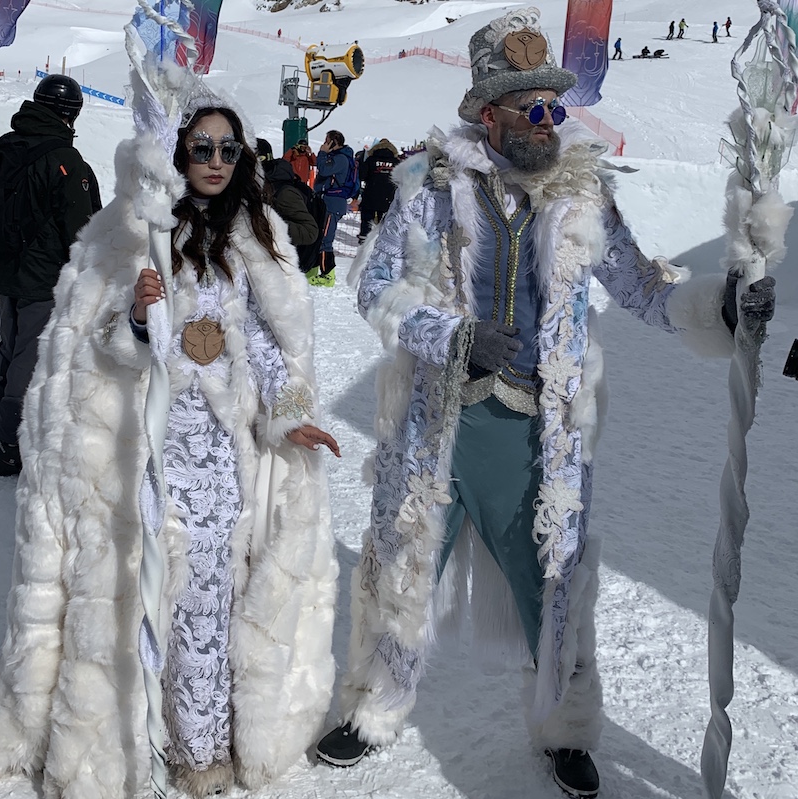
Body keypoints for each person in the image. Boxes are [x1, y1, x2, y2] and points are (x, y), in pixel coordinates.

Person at [314, 7, 776, 799]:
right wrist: (452, 335)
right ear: (486, 111)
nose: (546, 118)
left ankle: (562, 726)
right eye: (528, 105)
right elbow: (376, 287)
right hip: (441, 426)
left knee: (555, 581)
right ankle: (371, 707)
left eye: (553, 104)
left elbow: (641, 285)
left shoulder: (583, 192)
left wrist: (722, 306)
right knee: (401, 565)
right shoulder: (431, 185)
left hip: (539, 434)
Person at [0, 74, 341, 799]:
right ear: (176, 149)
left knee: (204, 605)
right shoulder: (127, 233)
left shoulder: (256, 236)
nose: (216, 160)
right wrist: (136, 316)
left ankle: (198, 751)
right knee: (133, 596)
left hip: (223, 459)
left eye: (229, 148)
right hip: (147, 456)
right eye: (201, 146)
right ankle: (121, 741)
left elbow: (271, 346)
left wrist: (289, 414)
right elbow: (89, 351)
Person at [0, 74, 101, 476]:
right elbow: (82, 228)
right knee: (29, 355)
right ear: (71, 113)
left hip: (4, 268)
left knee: (8, 343)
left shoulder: (6, 145)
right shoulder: (65, 160)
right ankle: (10, 442)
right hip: (43, 276)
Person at [311, 129, 354, 284]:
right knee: (319, 236)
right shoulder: (336, 157)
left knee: (325, 238)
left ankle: (328, 274)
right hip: (327, 201)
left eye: (326, 140)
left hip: (333, 202)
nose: (324, 144)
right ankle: (316, 269)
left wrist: (322, 153)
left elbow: (323, 169)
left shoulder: (341, 158)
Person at [262, 155, 320, 250]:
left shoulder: (285, 193)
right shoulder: (258, 185)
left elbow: (310, 232)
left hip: (278, 257)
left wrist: (270, 226)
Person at [357, 137, 400, 243]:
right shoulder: (396, 162)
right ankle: (383, 244)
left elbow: (361, 176)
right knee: (385, 224)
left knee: (366, 223)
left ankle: (363, 243)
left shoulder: (370, 160)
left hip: (370, 196)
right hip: (388, 198)